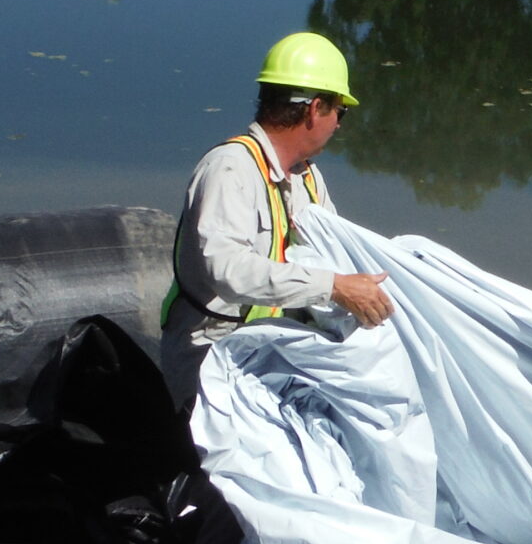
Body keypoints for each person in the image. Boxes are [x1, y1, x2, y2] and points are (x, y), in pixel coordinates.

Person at [160, 32, 397, 406]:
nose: (338, 125)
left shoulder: (308, 178)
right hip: (213, 357)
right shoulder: (229, 169)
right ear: (315, 108)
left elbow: (334, 257)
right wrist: (333, 286)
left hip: (278, 349)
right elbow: (226, 270)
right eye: (340, 112)